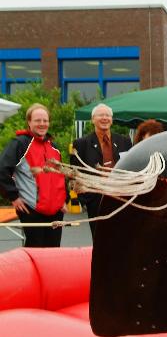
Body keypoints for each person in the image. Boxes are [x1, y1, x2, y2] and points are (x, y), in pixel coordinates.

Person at [0, 104, 68, 247]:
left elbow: (60, 175)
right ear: (29, 122)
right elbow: (2, 169)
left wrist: (64, 199)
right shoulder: (20, 143)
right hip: (32, 208)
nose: (42, 124)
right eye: (37, 120)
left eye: (45, 120)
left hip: (56, 210)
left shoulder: (53, 146)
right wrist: (13, 196)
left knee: (53, 252)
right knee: (36, 250)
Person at [72, 103, 132, 235]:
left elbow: (130, 168)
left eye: (108, 115)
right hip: (96, 200)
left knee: (122, 236)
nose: (105, 118)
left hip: (121, 197)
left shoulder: (125, 142)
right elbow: (76, 172)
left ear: (112, 120)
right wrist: (84, 200)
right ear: (93, 119)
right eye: (101, 115)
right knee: (99, 237)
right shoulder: (81, 144)